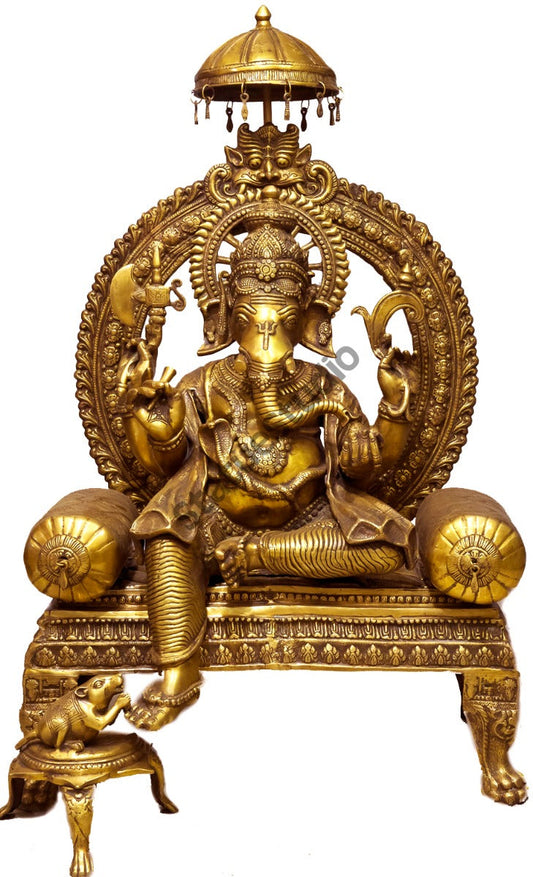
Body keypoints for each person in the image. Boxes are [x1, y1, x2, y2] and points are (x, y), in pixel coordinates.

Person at [119, 222, 417, 730]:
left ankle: (257, 554)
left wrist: (394, 407)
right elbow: (165, 470)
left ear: (308, 321)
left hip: (309, 520)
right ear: (224, 318)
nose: (265, 334)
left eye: (283, 319)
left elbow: (363, 464)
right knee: (166, 539)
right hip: (215, 519)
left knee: (387, 545)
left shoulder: (322, 384)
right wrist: (162, 431)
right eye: (250, 317)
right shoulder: (203, 383)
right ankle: (179, 668)